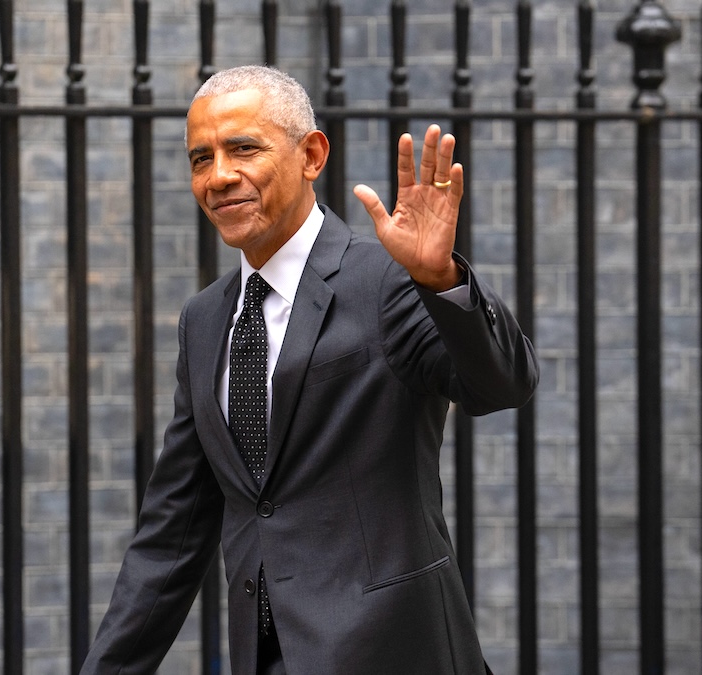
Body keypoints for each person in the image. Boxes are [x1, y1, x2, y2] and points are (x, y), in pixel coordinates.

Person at [80, 65, 537, 675]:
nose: (219, 176)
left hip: (395, 654)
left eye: (244, 148)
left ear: (311, 155)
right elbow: (174, 531)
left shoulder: (388, 283)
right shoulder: (204, 319)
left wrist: (441, 281)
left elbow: (502, 384)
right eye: (200, 158)